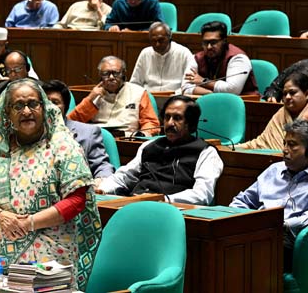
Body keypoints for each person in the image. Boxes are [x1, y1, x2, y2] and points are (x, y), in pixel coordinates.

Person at [0, 79, 101, 290]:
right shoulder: (0, 150)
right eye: (18, 106)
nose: (27, 111)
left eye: (33, 104)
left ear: (44, 107)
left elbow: (77, 201)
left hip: (49, 261)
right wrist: (0, 215)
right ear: (7, 113)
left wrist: (29, 222)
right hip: (1, 260)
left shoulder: (63, 146)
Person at [231, 119, 308, 271]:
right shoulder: (273, 170)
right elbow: (243, 200)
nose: (284, 149)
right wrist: (232, 219)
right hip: (256, 235)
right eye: (284, 143)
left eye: (292, 145)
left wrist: (281, 224)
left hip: (288, 246)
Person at [95, 95, 223, 205]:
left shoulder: (206, 152)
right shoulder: (149, 146)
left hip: (173, 209)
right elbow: (125, 176)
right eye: (167, 117)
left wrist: (161, 200)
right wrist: (103, 188)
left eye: (177, 118)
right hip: (136, 203)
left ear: (191, 123)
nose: (170, 123)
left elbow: (202, 194)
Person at [238, 73, 308, 154]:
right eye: (284, 94)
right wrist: (236, 148)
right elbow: (261, 142)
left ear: (307, 94)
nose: (287, 97)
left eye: (292, 93)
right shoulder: (280, 114)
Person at [68, 56, 160, 137]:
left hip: (126, 139)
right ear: (100, 75)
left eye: (116, 73)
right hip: (96, 139)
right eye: (106, 74)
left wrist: (142, 134)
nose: (111, 77)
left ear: (124, 74)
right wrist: (89, 99)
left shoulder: (138, 92)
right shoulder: (94, 94)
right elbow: (70, 122)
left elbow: (151, 122)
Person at [42, 79, 114, 179]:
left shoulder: (88, 133)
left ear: (65, 107)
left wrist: (101, 180)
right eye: (45, 102)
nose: (49, 107)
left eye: (55, 102)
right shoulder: (31, 133)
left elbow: (102, 166)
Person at [182, 21, 258, 96]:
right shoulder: (196, 58)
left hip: (244, 103)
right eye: (205, 43)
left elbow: (232, 90)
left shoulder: (238, 58)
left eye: (213, 42)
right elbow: (185, 87)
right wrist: (209, 93)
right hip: (208, 101)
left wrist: (203, 81)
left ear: (224, 41)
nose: (209, 47)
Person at [129, 22, 196, 92]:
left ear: (169, 38)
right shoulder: (145, 53)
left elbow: (188, 86)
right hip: (149, 97)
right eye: (153, 41)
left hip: (175, 97)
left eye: (161, 40)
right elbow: (135, 83)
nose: (157, 44)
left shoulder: (184, 53)